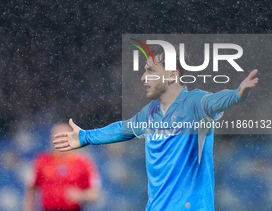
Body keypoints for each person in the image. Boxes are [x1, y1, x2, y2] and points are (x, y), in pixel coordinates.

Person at [53, 46, 258, 211]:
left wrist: (238, 94)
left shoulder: (194, 103)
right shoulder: (150, 114)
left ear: (171, 75)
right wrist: (86, 136)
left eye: (150, 71)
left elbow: (215, 101)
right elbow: (122, 129)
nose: (143, 77)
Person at [24, 123, 101, 211]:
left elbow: (95, 193)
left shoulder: (84, 163)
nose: (60, 141)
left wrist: (81, 196)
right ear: (51, 139)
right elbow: (30, 189)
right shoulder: (41, 161)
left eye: (64, 137)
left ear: (72, 138)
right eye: (57, 137)